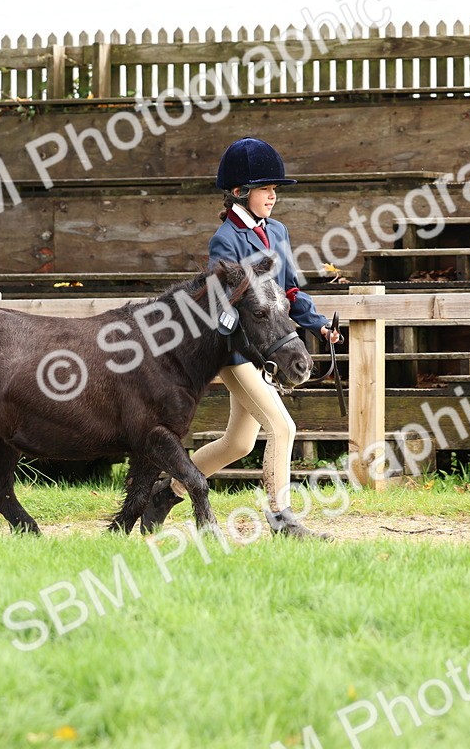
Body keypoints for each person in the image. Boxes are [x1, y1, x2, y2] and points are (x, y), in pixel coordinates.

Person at [142, 137, 342, 539]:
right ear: (239, 193)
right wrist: (253, 341)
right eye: (266, 189)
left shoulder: (279, 232)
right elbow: (220, 307)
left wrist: (319, 324)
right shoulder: (226, 241)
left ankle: (166, 493)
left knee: (238, 444)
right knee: (282, 427)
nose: (273, 196)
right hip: (237, 353)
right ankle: (281, 517)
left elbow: (289, 292)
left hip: (265, 347)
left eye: (274, 189)